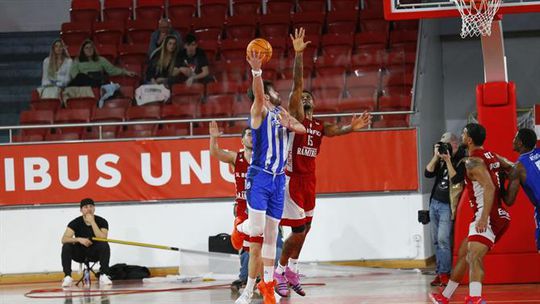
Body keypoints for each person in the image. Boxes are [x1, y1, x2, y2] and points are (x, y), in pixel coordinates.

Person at [274, 28, 372, 298]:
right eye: (301, 97)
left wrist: (352, 127)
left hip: (310, 182)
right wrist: (298, 55)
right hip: (292, 180)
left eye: (309, 97)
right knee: (296, 231)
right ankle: (279, 271)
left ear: (314, 103)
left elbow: (336, 131)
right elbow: (296, 85)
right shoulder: (298, 120)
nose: (304, 98)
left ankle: (292, 268)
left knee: (306, 231)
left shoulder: (319, 125)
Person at [234, 51, 306, 304]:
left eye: (271, 92)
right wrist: (256, 72)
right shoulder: (258, 112)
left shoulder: (281, 113)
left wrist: (291, 124)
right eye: (268, 92)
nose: (273, 94)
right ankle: (239, 227)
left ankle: (268, 284)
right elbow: (257, 93)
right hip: (260, 176)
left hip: (278, 180)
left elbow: (302, 128)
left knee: (271, 234)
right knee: (255, 230)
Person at [430, 123, 511, 304]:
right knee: (464, 254)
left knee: (473, 257)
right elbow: (511, 166)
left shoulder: (472, 161)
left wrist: (483, 218)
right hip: (492, 213)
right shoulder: (490, 155)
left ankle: (475, 298)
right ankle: (445, 297)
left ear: (470, 139)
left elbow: (489, 187)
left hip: (487, 215)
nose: (461, 135)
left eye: (464, 133)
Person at [424, 132, 466, 287]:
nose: (445, 147)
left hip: (447, 206)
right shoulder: (440, 158)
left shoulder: (462, 159)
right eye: (443, 144)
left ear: (455, 144)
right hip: (434, 202)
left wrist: (448, 160)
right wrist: (436, 156)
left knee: (443, 240)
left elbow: (456, 179)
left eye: (447, 143)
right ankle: (439, 272)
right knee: (436, 241)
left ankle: (445, 274)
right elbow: (427, 173)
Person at [500, 128, 540, 253]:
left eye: (515, 138)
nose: (513, 140)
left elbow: (509, 200)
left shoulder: (518, 167)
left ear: (520, 143)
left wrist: (500, 182)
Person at [61, 198, 112, 287]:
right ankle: (67, 276)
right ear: (81, 210)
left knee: (104, 244)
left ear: (94, 208)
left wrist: (92, 222)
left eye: (91, 206)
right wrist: (79, 239)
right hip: (80, 253)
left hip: (94, 253)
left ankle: (103, 275)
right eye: (85, 207)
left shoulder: (102, 221)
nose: (88, 209)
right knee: (66, 246)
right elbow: (64, 239)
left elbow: (103, 238)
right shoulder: (75, 222)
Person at [69, 40, 136, 88]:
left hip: (97, 79)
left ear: (94, 49)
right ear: (82, 50)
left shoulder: (101, 59)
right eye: (86, 48)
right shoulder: (77, 61)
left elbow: (112, 70)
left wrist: (125, 72)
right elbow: (75, 75)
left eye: (91, 47)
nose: (89, 49)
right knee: (80, 77)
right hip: (84, 82)